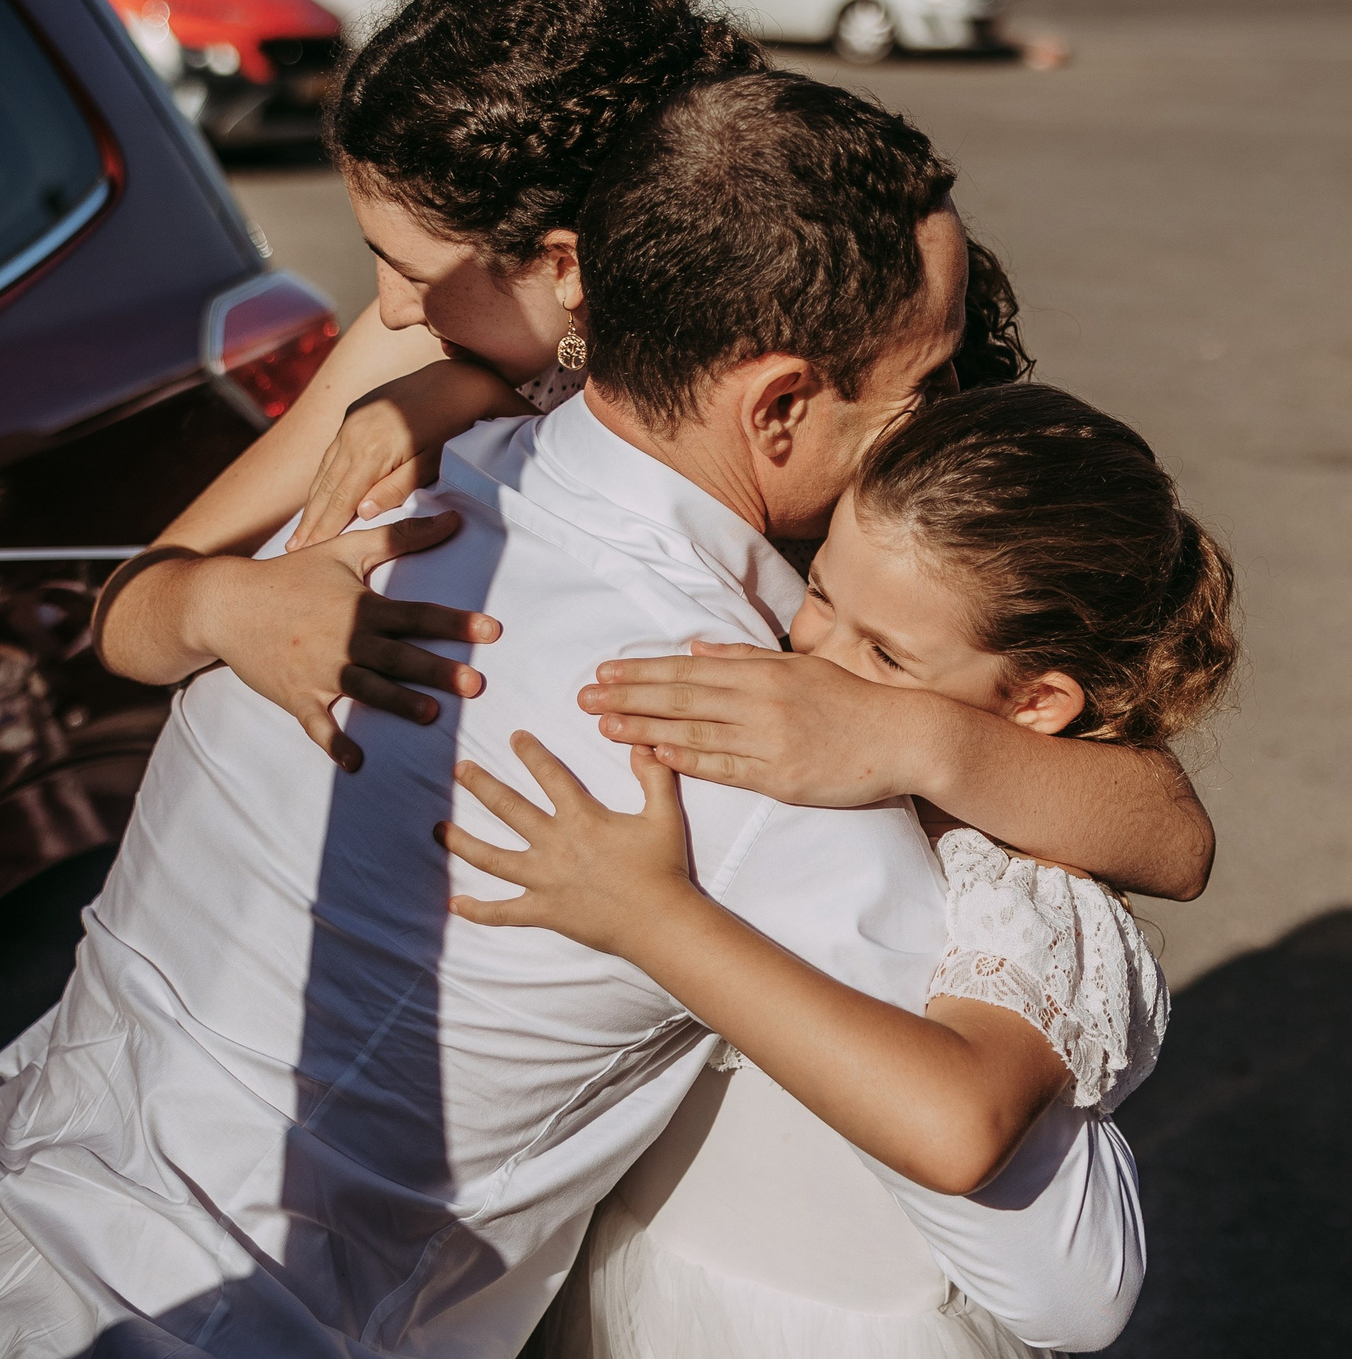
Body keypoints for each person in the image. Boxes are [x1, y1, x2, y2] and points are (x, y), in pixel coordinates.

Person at [0, 72, 1148, 1356]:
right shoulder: (742, 737)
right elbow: (1067, 1284)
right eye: (922, 384)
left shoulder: (350, 514)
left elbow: (146, 609)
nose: (943, 421)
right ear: (776, 405)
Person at [93, 0, 1215, 904]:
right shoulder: (424, 347)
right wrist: (226, 603)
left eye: (409, 265)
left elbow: (1163, 827)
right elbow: (126, 612)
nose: (387, 305)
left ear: (571, 269)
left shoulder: (852, 406)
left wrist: (911, 736)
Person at [437, 382, 1237, 1359]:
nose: (816, 655)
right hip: (636, 1282)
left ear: (1035, 703)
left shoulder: (1024, 879)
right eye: (819, 589)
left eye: (887, 655)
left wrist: (649, 916)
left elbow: (959, 1127)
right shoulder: (795, 636)